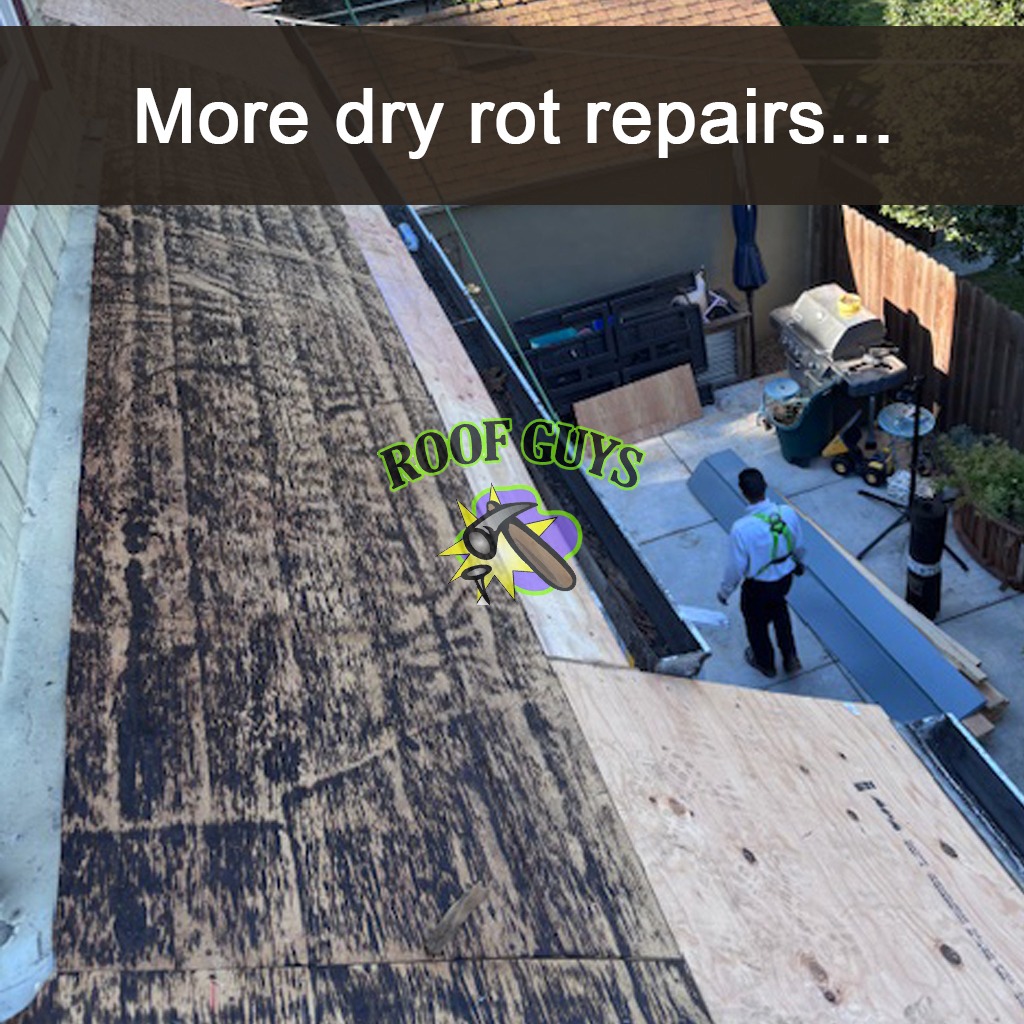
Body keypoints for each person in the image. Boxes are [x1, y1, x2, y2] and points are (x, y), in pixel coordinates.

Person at [716, 467, 806, 678]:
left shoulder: (742, 528)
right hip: (785, 578)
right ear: (765, 486)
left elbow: (735, 567)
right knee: (780, 610)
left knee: (755, 623)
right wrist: (799, 563)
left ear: (743, 492)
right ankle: (790, 657)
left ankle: (765, 662)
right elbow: (798, 544)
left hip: (759, 586)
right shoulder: (787, 513)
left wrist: (725, 591)